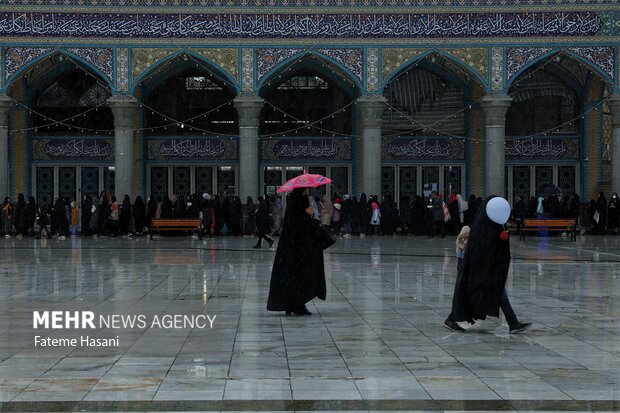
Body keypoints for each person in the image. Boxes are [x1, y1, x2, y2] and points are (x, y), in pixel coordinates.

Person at [443, 196, 531, 334]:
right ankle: (451, 318)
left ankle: (512, 322)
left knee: (498, 292)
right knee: (471, 294)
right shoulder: (481, 228)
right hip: (479, 271)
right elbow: (481, 249)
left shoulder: (492, 226)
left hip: (488, 270)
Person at [267, 187, 334, 315]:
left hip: (296, 253)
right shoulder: (295, 211)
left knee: (296, 279)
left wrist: (308, 216)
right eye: (304, 193)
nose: (306, 195)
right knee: (296, 279)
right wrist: (308, 218)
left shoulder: (297, 209)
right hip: (295, 253)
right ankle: (295, 304)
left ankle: (293, 304)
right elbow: (299, 228)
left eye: (307, 193)